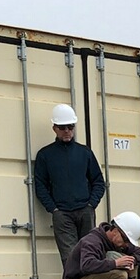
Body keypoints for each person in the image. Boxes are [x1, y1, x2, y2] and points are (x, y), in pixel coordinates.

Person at [34, 103, 106, 266]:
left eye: (70, 126)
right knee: (70, 258)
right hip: (62, 214)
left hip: (85, 211)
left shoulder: (84, 152)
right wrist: (54, 209)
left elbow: (98, 181)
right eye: (62, 127)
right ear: (54, 128)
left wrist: (91, 205)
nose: (67, 130)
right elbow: (40, 185)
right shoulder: (45, 155)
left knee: (91, 255)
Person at [62, 211, 140, 279]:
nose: (126, 244)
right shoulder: (92, 241)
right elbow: (87, 265)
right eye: (125, 240)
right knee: (119, 275)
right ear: (115, 231)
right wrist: (115, 263)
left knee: (126, 262)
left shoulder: (118, 241)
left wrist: (132, 260)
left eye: (128, 241)